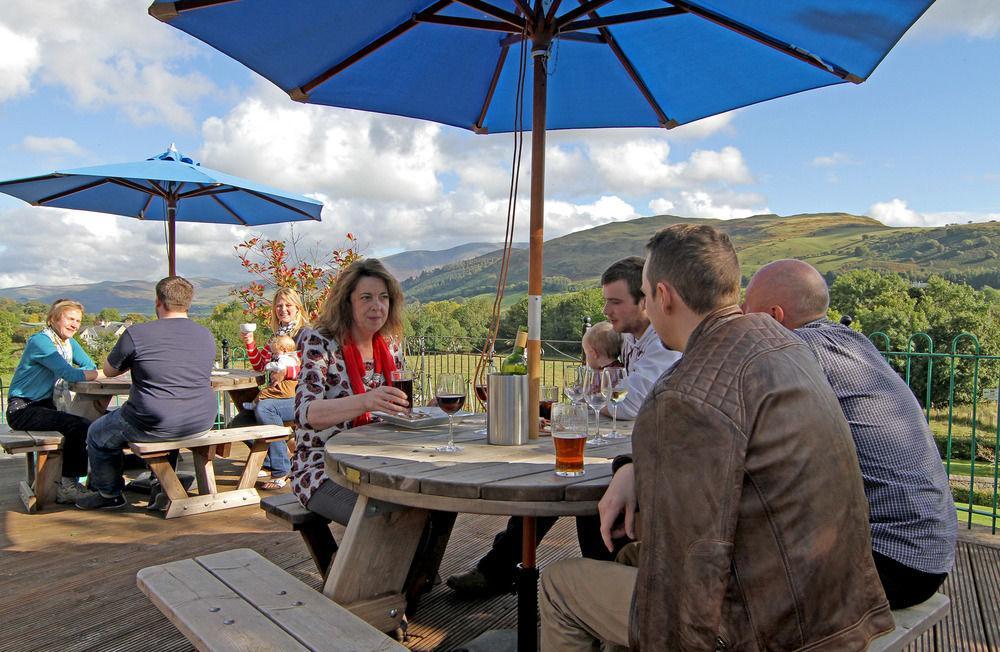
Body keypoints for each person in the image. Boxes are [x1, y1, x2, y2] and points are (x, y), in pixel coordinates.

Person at [539, 225, 893, 650]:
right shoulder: (783, 346)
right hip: (836, 604)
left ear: (664, 297)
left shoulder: (683, 393)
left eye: (647, 296)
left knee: (560, 585)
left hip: (764, 627)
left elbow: (688, 555)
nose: (648, 307)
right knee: (630, 558)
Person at [447, 257, 681, 600]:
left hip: (658, 462)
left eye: (615, 302)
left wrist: (574, 408)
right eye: (605, 301)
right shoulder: (633, 339)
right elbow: (615, 396)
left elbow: (629, 402)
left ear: (645, 301)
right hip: (624, 448)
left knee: (573, 482)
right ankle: (502, 568)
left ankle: (597, 592)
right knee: (562, 476)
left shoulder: (662, 344)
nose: (606, 310)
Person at [743, 259, 956, 609]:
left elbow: (736, 440)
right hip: (930, 553)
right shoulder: (851, 341)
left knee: (720, 570)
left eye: (746, 309)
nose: (739, 317)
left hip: (886, 564)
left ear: (774, 316)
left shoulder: (792, 353)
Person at [77, 276, 217, 510]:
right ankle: (160, 485)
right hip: (202, 420)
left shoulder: (137, 334)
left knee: (97, 433)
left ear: (158, 302)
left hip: (152, 422)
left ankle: (109, 493)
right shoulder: (206, 335)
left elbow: (110, 371)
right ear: (188, 304)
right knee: (165, 417)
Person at [291, 259, 409, 526]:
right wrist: (365, 401)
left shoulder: (390, 346)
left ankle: (419, 571)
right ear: (348, 303)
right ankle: (354, 569)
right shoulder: (321, 342)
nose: (376, 306)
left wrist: (424, 409)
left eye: (383, 297)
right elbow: (305, 413)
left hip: (380, 463)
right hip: (325, 467)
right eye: (366, 297)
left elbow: (397, 410)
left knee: (431, 507)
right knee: (381, 520)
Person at [6, 299, 99, 504]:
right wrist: (99, 373)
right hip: (23, 408)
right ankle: (68, 486)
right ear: (54, 319)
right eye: (70, 319)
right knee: (79, 425)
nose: (75, 324)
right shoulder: (40, 341)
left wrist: (90, 371)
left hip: (45, 405)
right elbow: (69, 373)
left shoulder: (68, 342)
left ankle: (79, 479)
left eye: (78, 320)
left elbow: (88, 364)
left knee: (85, 423)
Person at [240, 287, 308, 490]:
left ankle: (282, 468)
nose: (283, 309)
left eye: (288, 305)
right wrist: (250, 344)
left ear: (297, 308)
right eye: (279, 305)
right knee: (239, 422)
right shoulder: (276, 336)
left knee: (265, 408)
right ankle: (268, 458)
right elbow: (260, 366)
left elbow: (315, 368)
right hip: (279, 395)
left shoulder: (305, 333)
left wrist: (287, 373)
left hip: (303, 397)